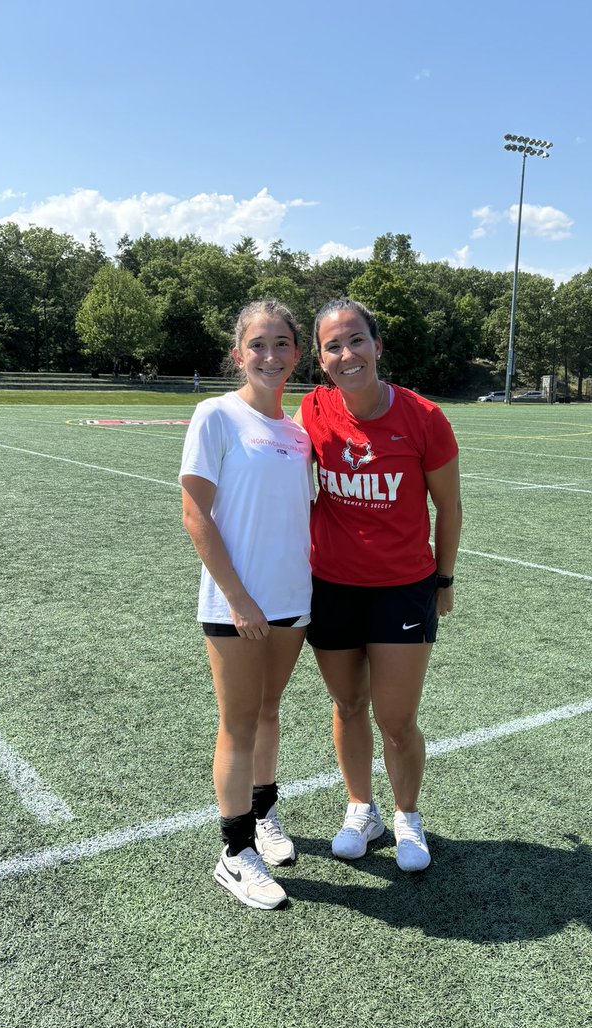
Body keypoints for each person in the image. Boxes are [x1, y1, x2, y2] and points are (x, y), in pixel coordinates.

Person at [297, 299, 461, 872]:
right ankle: (360, 808)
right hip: (332, 585)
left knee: (395, 718)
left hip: (403, 588)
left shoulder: (424, 417)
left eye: (356, 340)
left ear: (377, 345)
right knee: (347, 705)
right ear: (321, 359)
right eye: (334, 346)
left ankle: (408, 817)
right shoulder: (312, 410)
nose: (348, 354)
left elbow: (450, 507)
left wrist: (443, 578)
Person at [179, 300, 313, 910]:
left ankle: (263, 814)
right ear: (239, 354)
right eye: (257, 344)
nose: (269, 355)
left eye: (281, 343)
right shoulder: (216, 415)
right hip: (238, 605)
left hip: (292, 599)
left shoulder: (299, 432)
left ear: (296, 354)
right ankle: (234, 853)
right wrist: (238, 598)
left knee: (268, 711)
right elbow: (195, 514)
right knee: (236, 722)